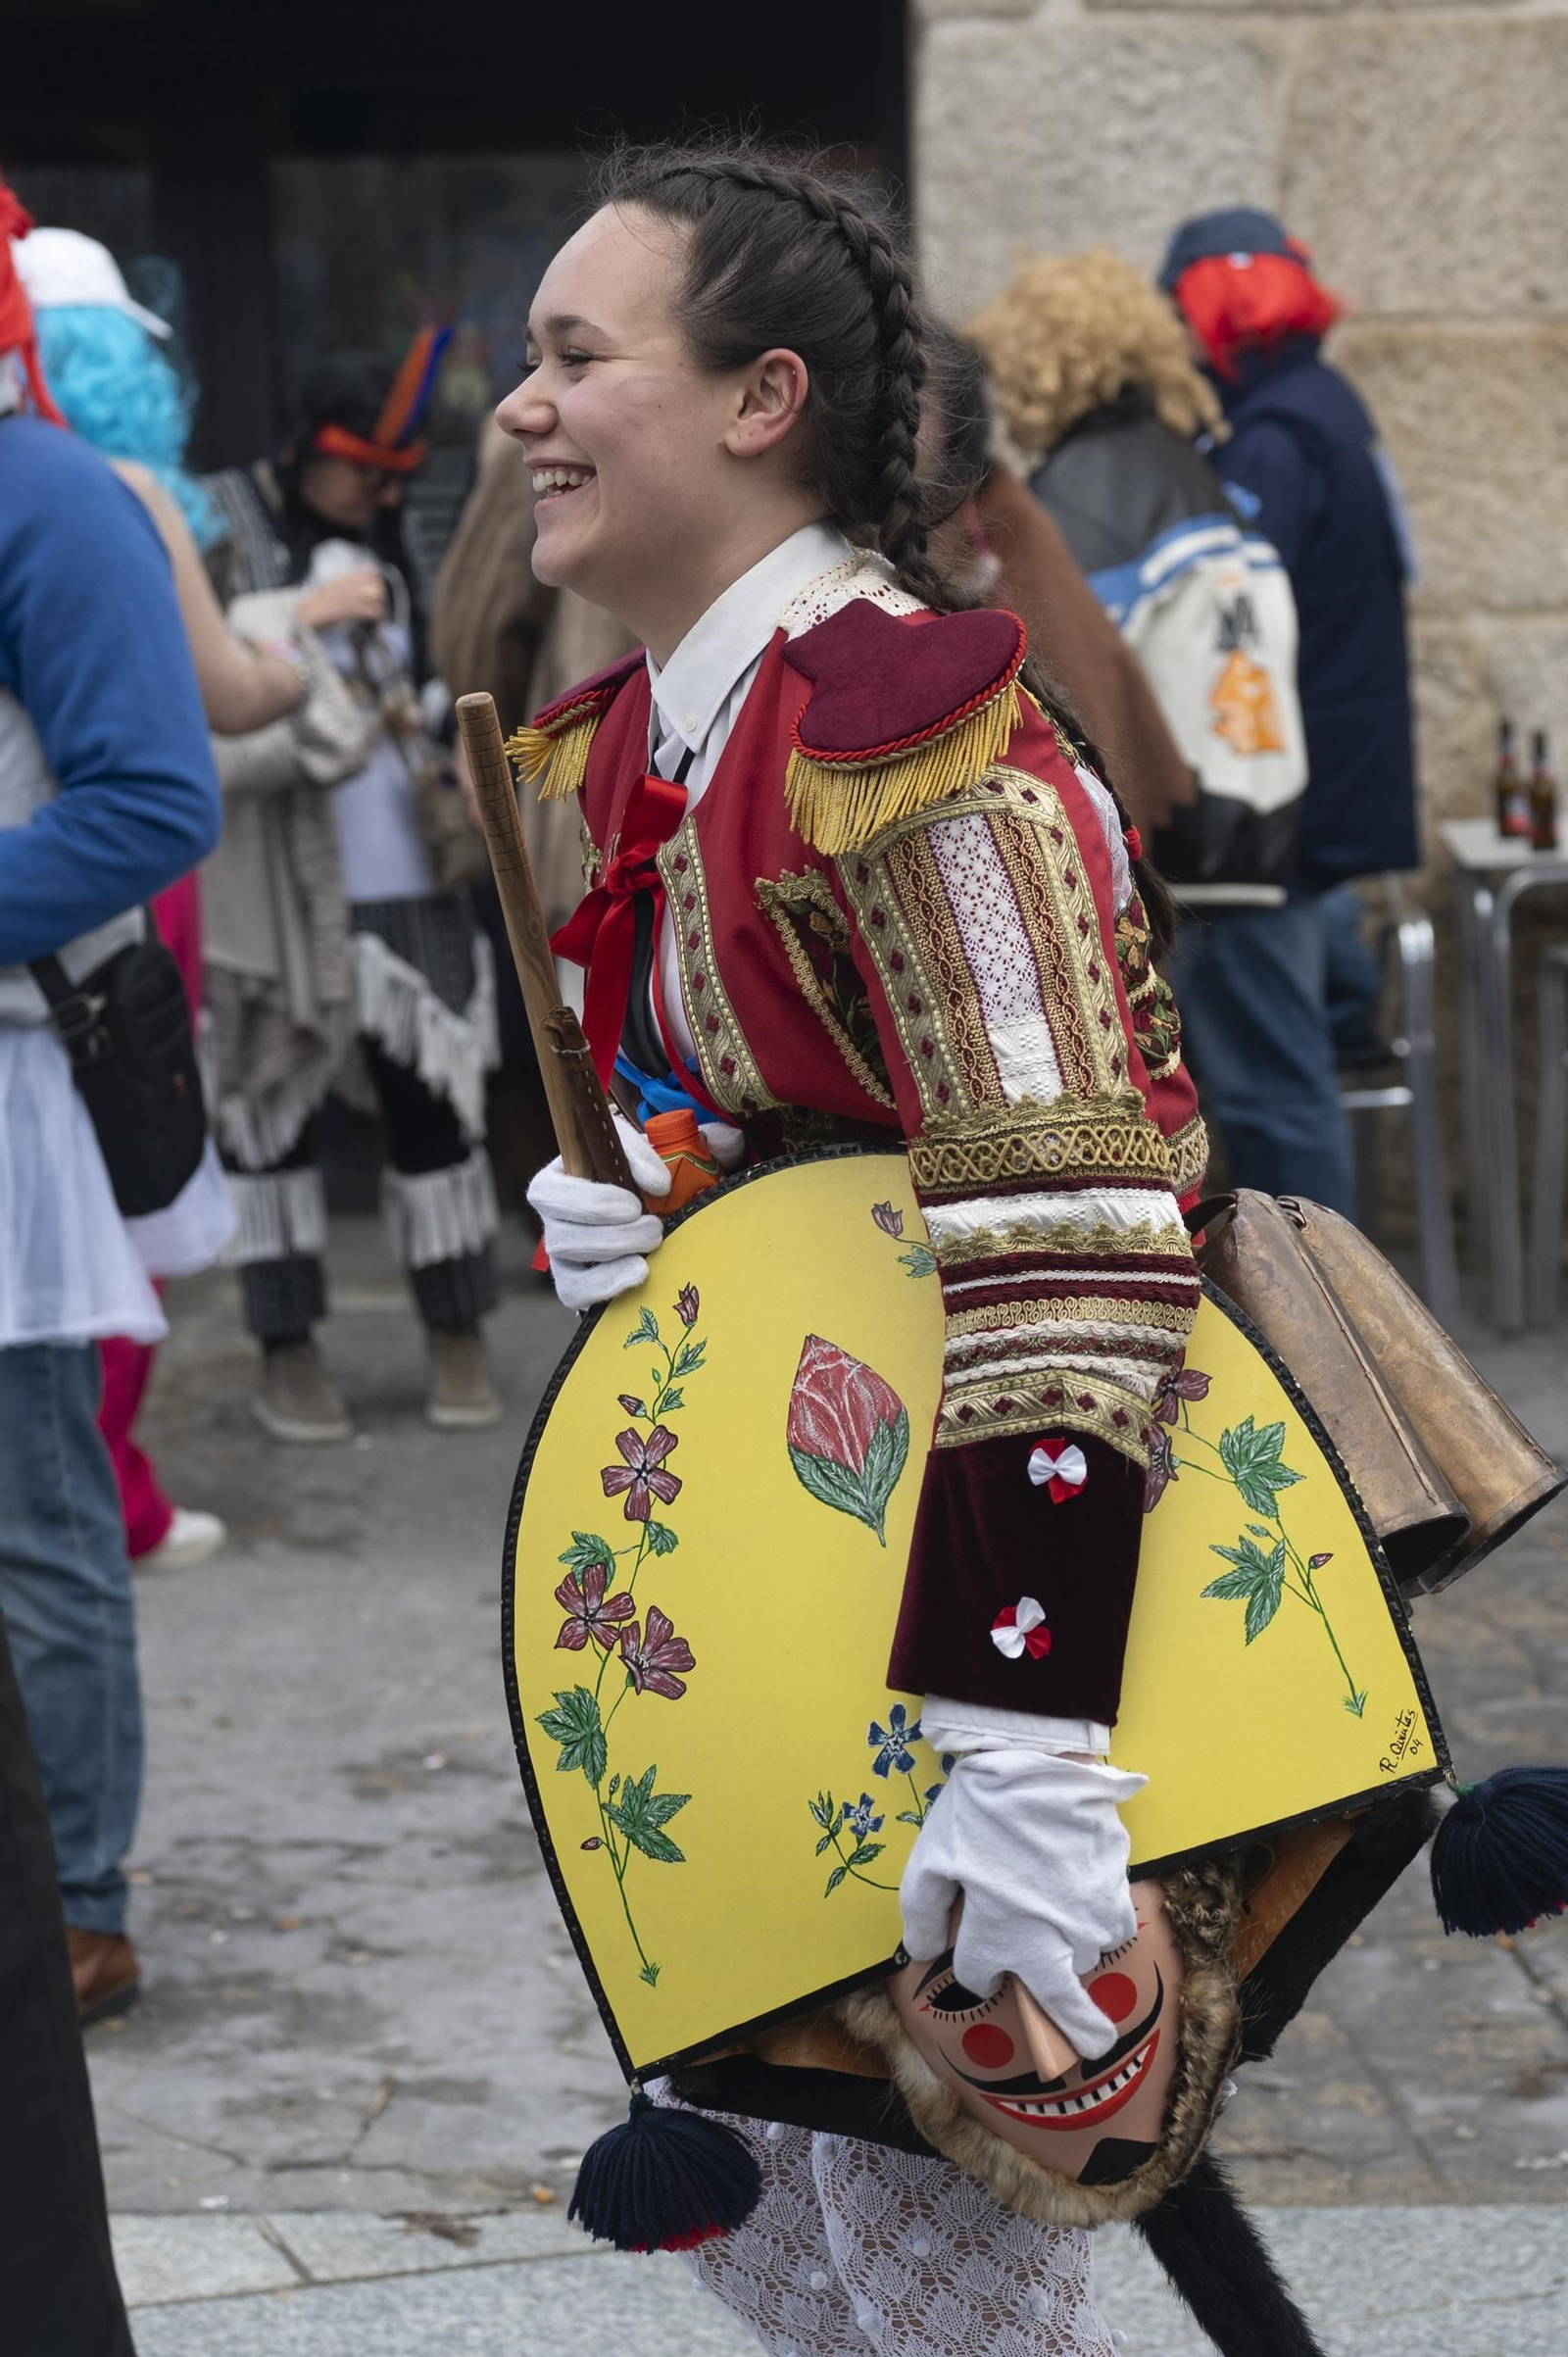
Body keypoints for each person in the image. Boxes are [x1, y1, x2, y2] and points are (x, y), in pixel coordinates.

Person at [502, 142, 1206, 2356]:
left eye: (571, 356)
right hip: (796, 1571)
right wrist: (662, 1213)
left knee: (952, 2301)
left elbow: (1070, 1227)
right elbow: (800, 1125)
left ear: (755, 399)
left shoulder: (908, 730)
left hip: (987, 1601)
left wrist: (1021, 1745)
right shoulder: (656, 733)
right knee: (800, 2274)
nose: (519, 409)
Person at [0, 191, 221, 2026]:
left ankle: (72, 1906)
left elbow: (151, 803)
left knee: (28, 1503)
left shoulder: (46, 494)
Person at [22, 222, 309, 1570]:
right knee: (119, 1192)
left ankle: (104, 1489)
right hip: (128, 907)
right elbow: (231, 698)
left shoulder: (63, 490)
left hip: (70, 905)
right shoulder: (119, 486)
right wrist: (297, 649)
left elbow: (152, 771)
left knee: (91, 1197)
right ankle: (111, 1486)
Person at [965, 248, 1343, 1212]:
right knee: (1285, 1094)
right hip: (1263, 816)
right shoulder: (1192, 471)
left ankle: (1298, 1335)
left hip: (1183, 844)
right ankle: (1342, 1316)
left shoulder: (1082, 495)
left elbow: (1075, 685)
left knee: (1232, 1110)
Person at [201, 346, 504, 1441]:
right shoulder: (220, 515)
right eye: (366, 471)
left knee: (436, 1109)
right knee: (271, 1114)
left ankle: (457, 1326)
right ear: (308, 448)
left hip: (407, 869)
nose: (383, 495)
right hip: (282, 878)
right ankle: (285, 1349)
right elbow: (195, 679)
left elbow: (434, 663)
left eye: (397, 473)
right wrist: (303, 609)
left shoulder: (399, 534)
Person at [1162, 210, 1422, 1161]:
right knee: (1299, 1036)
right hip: (1332, 779)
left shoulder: (1270, 436)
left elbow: (1220, 624)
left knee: (1271, 1094)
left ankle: (1309, 1308)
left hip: (1271, 809)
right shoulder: (1328, 406)